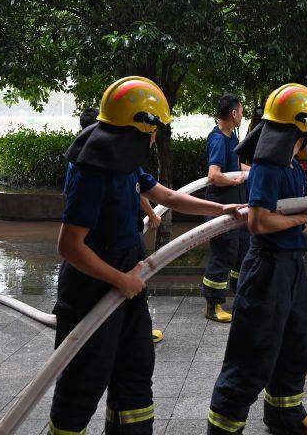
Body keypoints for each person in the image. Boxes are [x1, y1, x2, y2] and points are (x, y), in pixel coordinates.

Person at [50, 76, 244, 435]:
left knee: (135, 373)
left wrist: (222, 211)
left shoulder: (124, 161)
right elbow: (69, 246)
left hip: (128, 286)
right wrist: (119, 279)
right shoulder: (91, 170)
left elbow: (168, 197)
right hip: (92, 290)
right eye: (156, 129)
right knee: (83, 383)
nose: (156, 137)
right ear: (140, 126)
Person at [207, 83, 307, 435]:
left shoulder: (293, 166)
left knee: (297, 345)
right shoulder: (269, 166)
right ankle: (222, 428)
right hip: (267, 268)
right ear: (303, 129)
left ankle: (285, 417)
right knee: (252, 357)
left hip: (292, 267)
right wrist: (303, 219)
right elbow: (258, 220)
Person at [202, 94, 250, 322]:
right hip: (222, 208)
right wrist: (236, 181)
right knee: (224, 253)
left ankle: (240, 294)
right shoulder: (218, 140)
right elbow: (215, 176)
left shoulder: (231, 138)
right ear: (233, 114)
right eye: (241, 111)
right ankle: (213, 305)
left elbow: (236, 164)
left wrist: (257, 170)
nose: (242, 115)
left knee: (242, 249)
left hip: (237, 209)